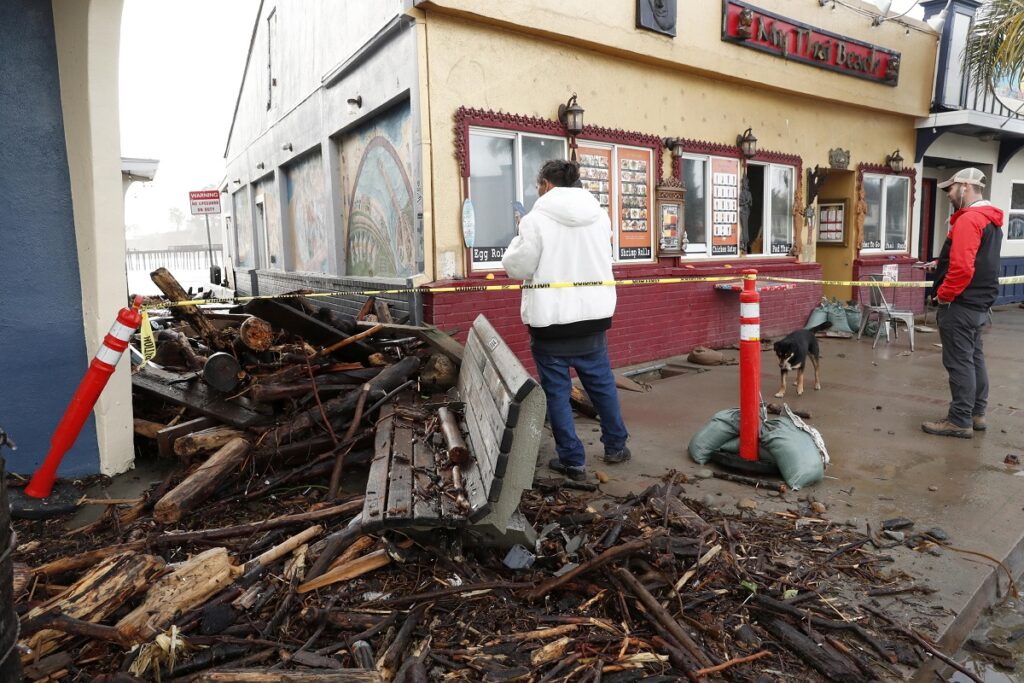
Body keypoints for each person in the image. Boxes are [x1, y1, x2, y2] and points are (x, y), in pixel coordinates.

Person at [502, 159, 630, 481]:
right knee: (602, 384)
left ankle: (573, 461)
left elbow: (518, 267)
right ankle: (616, 446)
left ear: (545, 184)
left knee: (557, 392)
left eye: (537, 186)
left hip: (551, 322)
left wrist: (514, 244)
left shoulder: (535, 220)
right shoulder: (600, 216)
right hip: (593, 317)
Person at [922, 167, 1003, 438]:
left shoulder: (970, 220)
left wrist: (944, 294)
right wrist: (939, 264)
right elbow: (977, 261)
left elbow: (963, 268)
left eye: (951, 189)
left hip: (960, 304)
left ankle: (959, 420)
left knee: (959, 363)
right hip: (980, 304)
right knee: (974, 359)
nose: (948, 194)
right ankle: (976, 413)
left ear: (965, 187)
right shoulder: (991, 220)